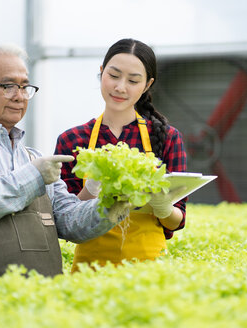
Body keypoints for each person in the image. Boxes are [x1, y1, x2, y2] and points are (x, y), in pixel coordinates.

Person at [0, 43, 132, 279]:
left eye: (25, 87)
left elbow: (70, 222)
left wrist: (111, 204)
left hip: (40, 301)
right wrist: (34, 176)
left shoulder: (32, 157)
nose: (20, 97)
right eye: (8, 86)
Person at [54, 38, 187, 272]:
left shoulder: (168, 138)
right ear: (101, 72)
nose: (120, 87)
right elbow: (66, 219)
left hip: (149, 271)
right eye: (113, 76)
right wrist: (91, 190)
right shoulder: (72, 140)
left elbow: (178, 221)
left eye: (133, 80)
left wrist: (163, 207)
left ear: (147, 85)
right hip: (89, 270)